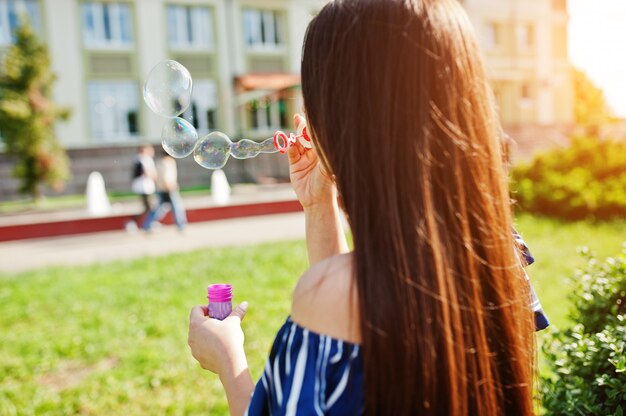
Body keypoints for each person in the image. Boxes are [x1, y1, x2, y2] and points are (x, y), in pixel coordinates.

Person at [188, 1, 537, 414]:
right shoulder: (501, 255)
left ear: (345, 118)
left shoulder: (336, 298)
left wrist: (228, 358)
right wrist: (320, 205)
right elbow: (353, 323)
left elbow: (343, 309)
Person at [143, 150, 187, 232]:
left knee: (158, 209)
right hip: (169, 188)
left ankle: (147, 224)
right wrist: (170, 186)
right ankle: (181, 226)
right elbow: (168, 176)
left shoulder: (159, 161)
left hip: (160, 188)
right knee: (177, 208)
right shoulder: (169, 162)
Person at [128, 144, 157, 232]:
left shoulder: (137, 158)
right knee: (150, 207)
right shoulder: (145, 158)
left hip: (140, 186)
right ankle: (136, 223)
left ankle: (147, 223)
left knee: (148, 207)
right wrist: (155, 176)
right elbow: (147, 172)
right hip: (145, 187)